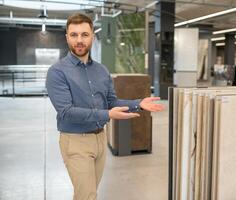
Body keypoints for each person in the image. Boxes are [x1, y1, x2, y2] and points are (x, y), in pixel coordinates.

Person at [46, 13, 164, 200]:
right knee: (87, 195)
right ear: (67, 37)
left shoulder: (101, 70)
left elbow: (111, 102)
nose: (79, 40)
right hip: (75, 141)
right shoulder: (57, 72)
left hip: (100, 138)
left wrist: (137, 103)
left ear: (93, 36)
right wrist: (108, 113)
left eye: (84, 35)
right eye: (74, 35)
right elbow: (66, 112)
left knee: (87, 194)